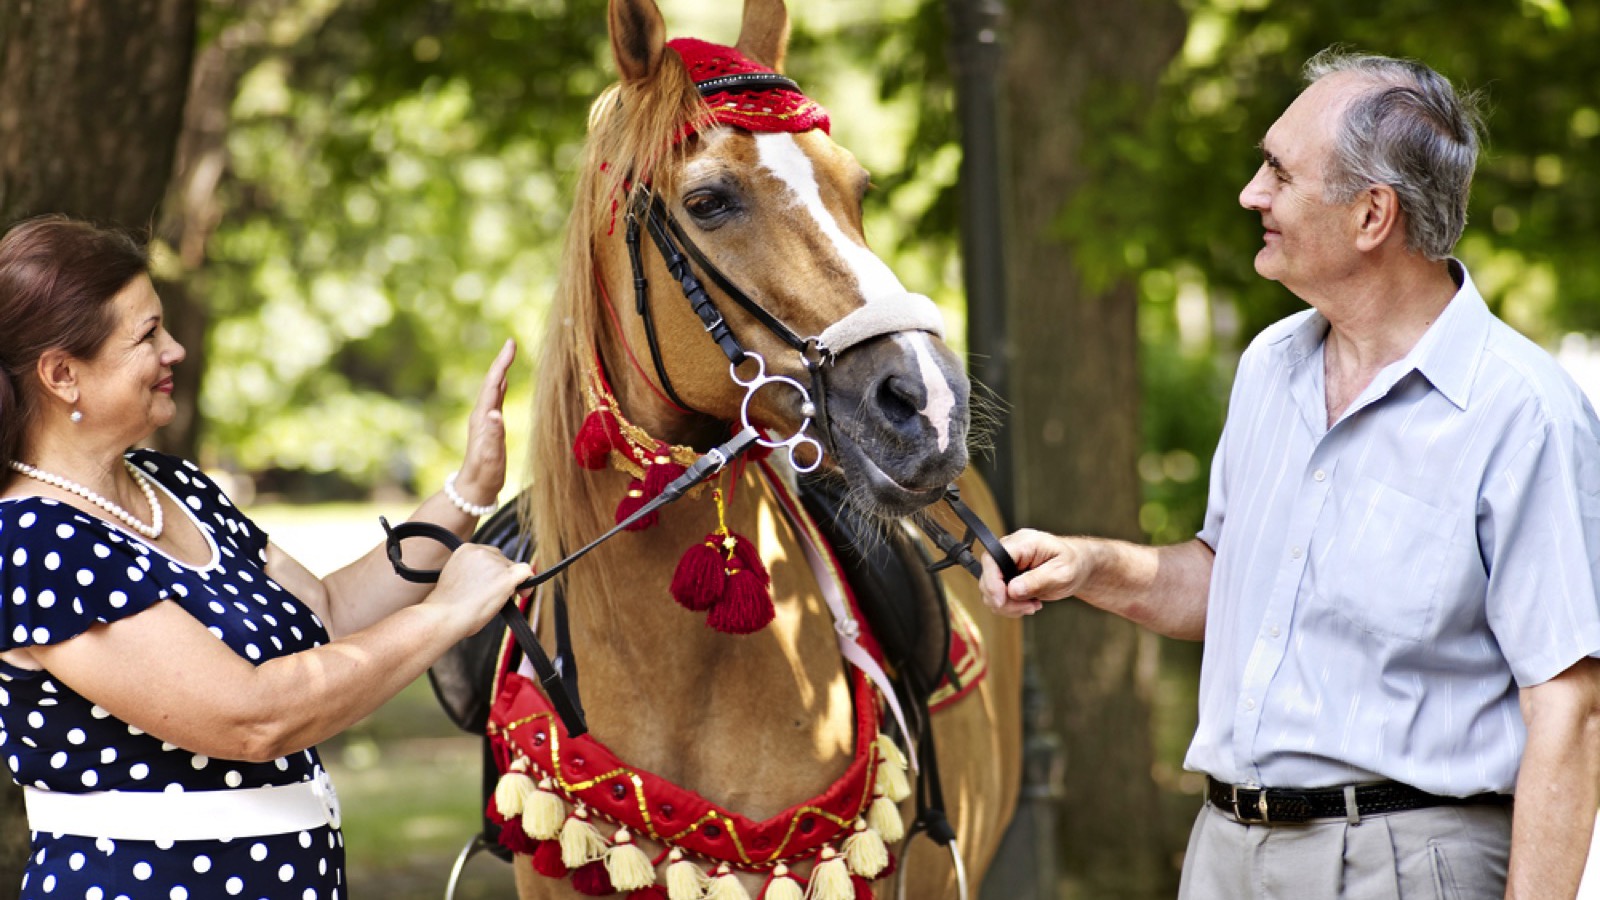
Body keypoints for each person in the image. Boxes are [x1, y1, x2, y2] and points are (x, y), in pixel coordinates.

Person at [981, 48, 1600, 899]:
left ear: (1372, 215)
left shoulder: (1523, 411)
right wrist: (1092, 567)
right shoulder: (1272, 362)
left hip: (1408, 866)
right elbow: (1224, 581)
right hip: (1224, 854)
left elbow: (1569, 710)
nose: (1251, 193)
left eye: (1279, 171)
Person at [0, 214, 533, 900]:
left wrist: (466, 491)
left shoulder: (175, 488)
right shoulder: (35, 543)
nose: (177, 349)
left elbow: (330, 615)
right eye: (148, 334)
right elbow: (252, 718)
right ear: (62, 375)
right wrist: (448, 615)